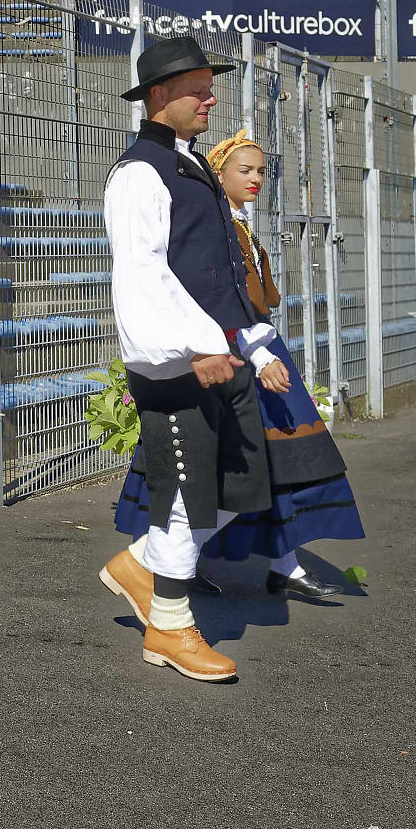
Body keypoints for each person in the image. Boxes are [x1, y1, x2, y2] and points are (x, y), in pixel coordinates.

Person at [112, 130, 362, 599]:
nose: (256, 179)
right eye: (244, 170)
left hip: (251, 342)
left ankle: (278, 562)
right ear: (217, 174)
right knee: (233, 460)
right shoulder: (211, 222)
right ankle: (155, 559)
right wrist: (257, 351)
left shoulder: (239, 222)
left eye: (261, 171)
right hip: (227, 348)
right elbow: (214, 297)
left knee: (270, 460)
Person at [95, 36, 273, 684]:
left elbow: (210, 270)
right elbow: (140, 279)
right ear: (160, 97)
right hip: (177, 360)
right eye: (198, 87)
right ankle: (170, 627)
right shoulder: (139, 174)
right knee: (183, 499)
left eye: (210, 84)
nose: (211, 96)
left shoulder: (189, 165)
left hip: (219, 354)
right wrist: (188, 349)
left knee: (238, 483)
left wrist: (246, 339)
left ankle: (142, 566)